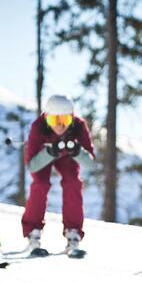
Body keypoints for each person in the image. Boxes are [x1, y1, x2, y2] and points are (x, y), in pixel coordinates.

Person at [21, 94, 96, 256]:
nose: (60, 126)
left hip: (68, 157)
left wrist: (77, 151)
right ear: (47, 118)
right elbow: (33, 166)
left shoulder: (78, 126)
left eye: (65, 120)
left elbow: (91, 162)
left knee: (73, 183)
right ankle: (33, 232)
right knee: (40, 184)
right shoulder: (38, 127)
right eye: (55, 121)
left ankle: (73, 233)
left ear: (72, 118)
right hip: (44, 156)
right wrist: (50, 151)